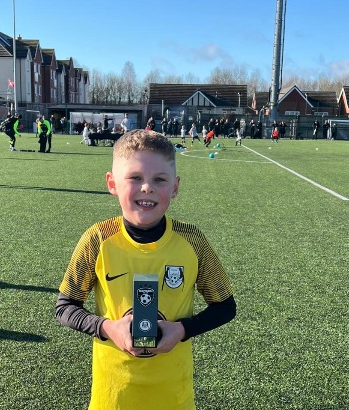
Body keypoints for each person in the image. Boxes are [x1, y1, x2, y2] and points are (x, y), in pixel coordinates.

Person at [56, 129, 236, 409]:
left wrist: (182, 330)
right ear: (112, 183)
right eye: (135, 178)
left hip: (173, 397)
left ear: (175, 187)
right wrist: (108, 327)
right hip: (113, 397)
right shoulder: (98, 239)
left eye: (159, 179)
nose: (146, 188)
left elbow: (225, 307)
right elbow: (65, 307)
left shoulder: (192, 241)